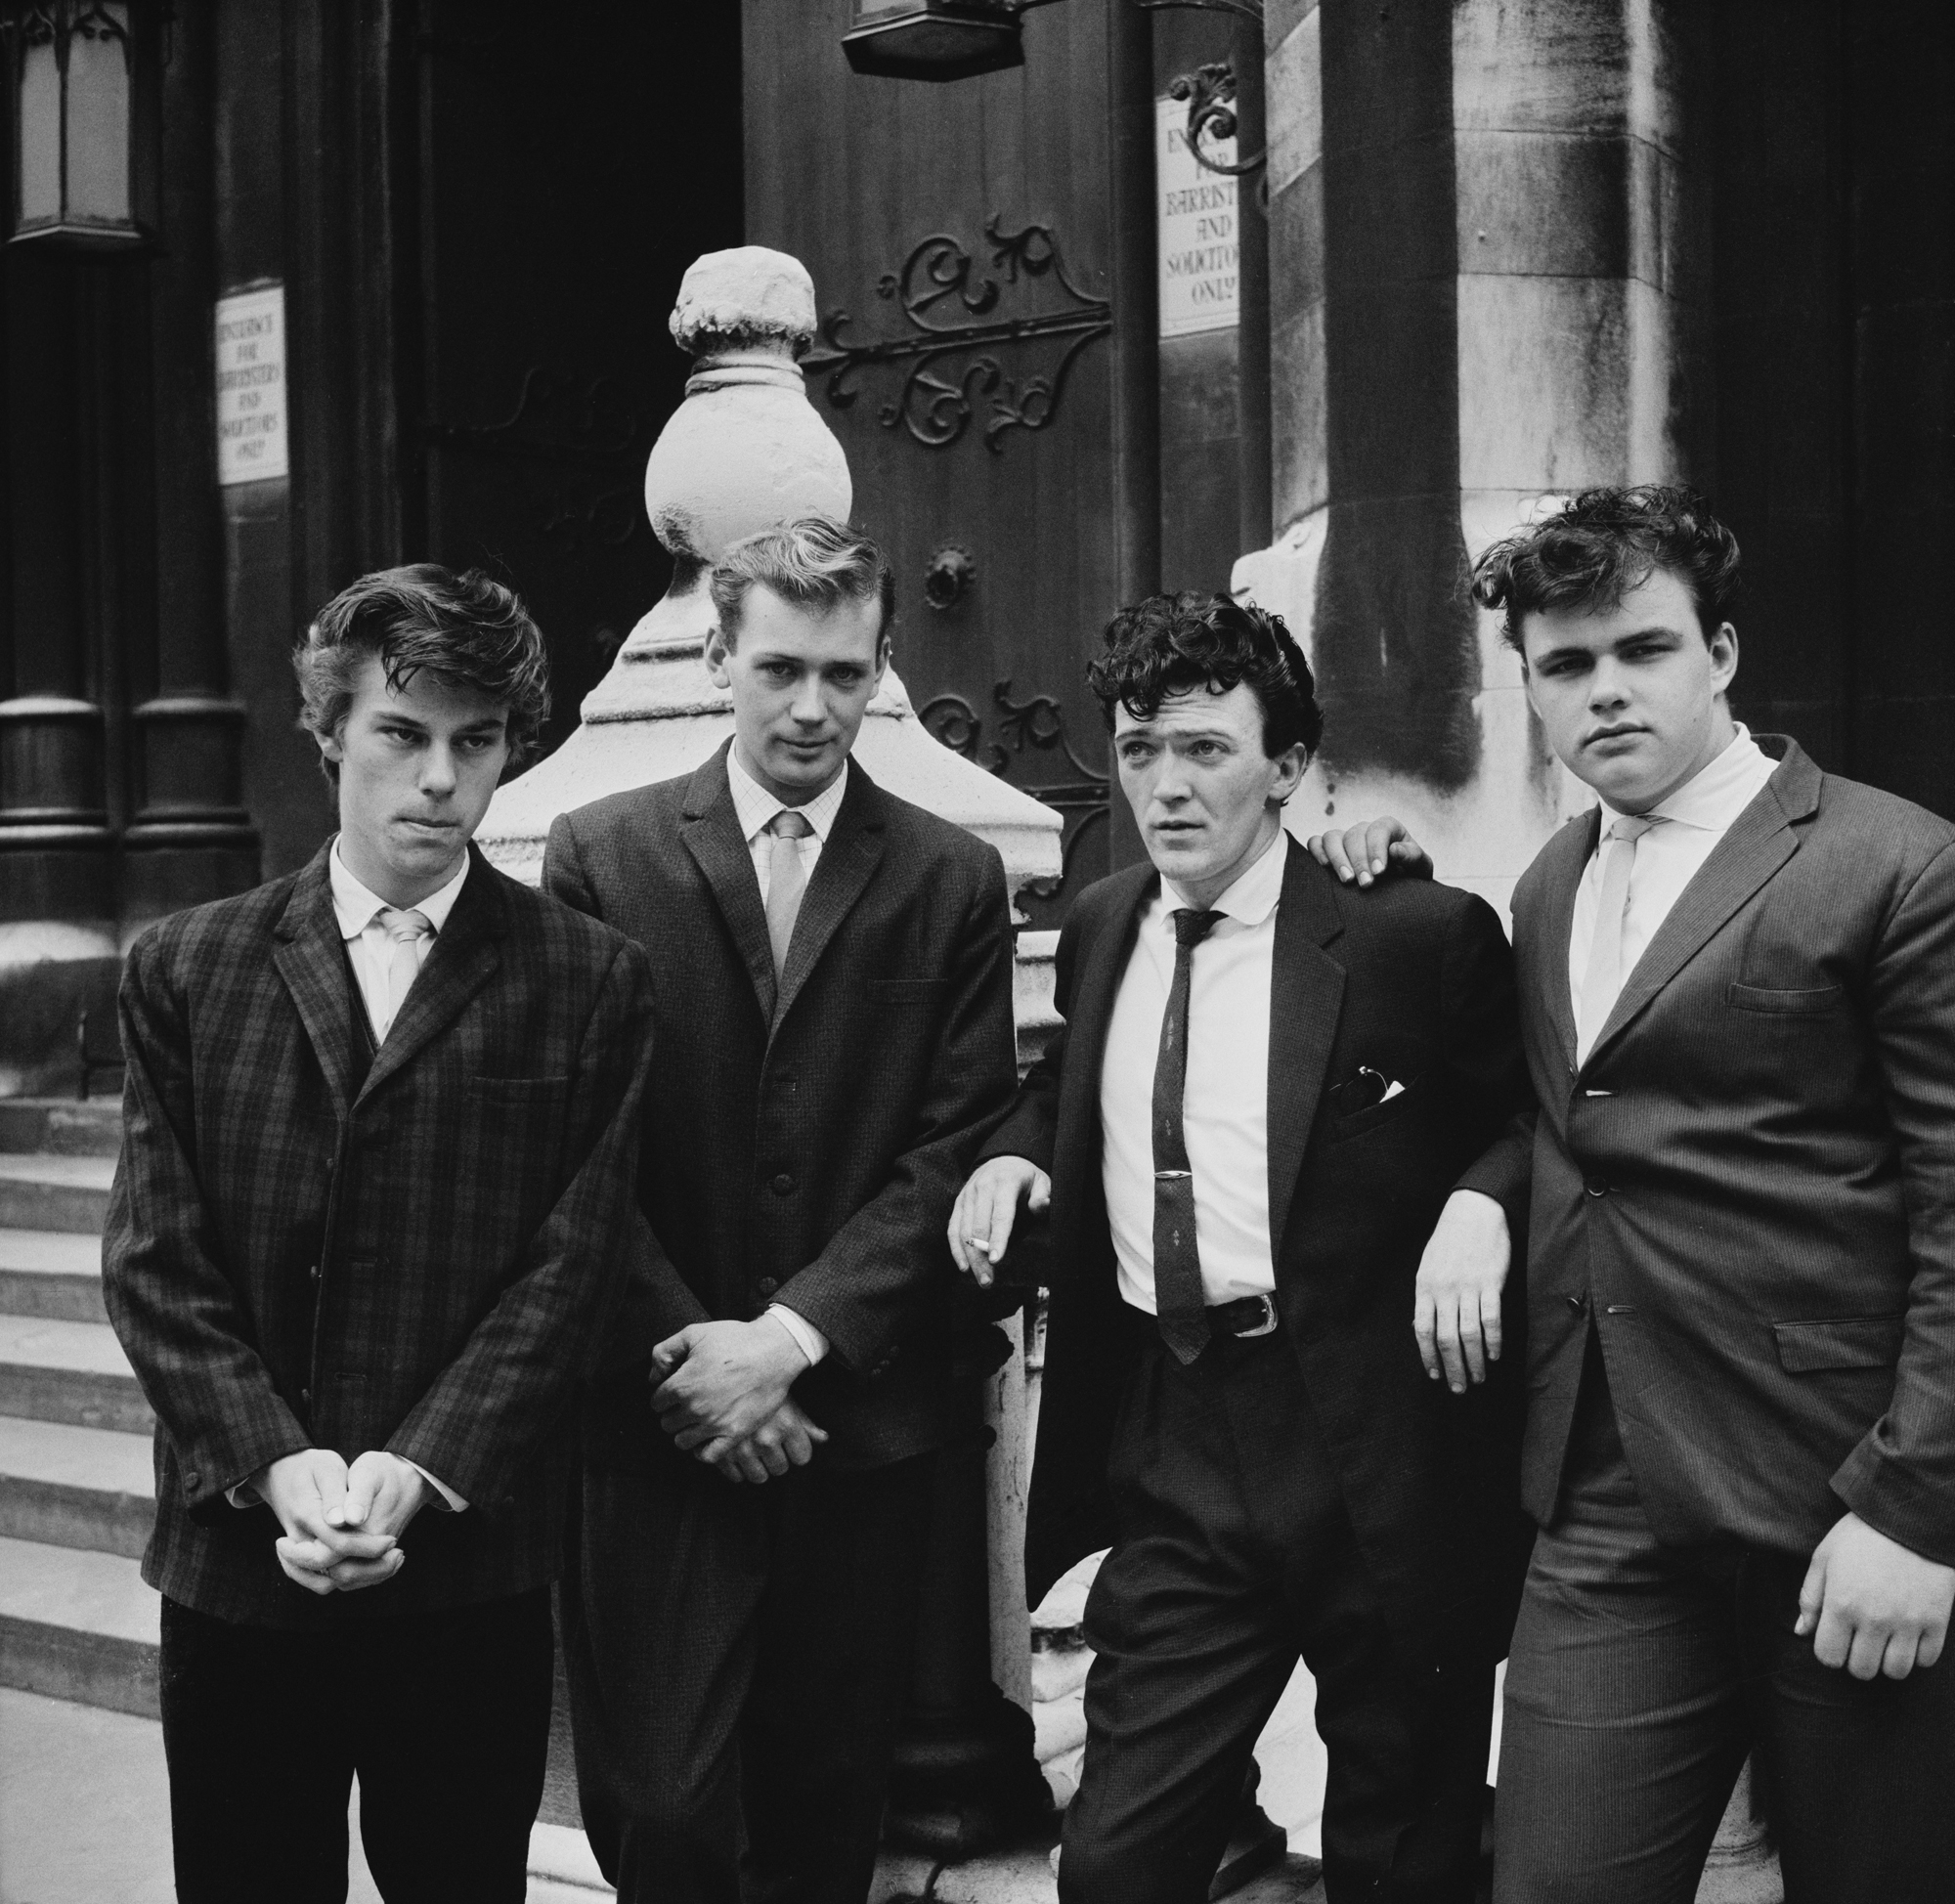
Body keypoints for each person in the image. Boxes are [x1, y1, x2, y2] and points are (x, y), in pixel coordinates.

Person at [1310, 485, 1955, 1904]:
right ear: (1530, 691)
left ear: (1720, 654)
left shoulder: (1892, 863)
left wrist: (1918, 1511)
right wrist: (1484, 1192)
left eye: (1641, 651)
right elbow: (1555, 1115)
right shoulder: (1544, 885)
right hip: (1599, 1496)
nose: (1605, 692)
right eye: (1566, 665)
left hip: (1834, 1496)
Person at [946, 592, 1534, 1904]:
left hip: (1380, 1442)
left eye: (1205, 749)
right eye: (1139, 747)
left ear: (1288, 765)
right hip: (1181, 1432)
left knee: (1406, 1842)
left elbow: (1525, 1119)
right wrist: (1015, 1148)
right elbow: (1074, 1089)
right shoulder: (1101, 927)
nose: (1165, 784)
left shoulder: (1409, 936)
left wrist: (1482, 1200)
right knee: (1117, 1858)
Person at [103, 566, 655, 1902]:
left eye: (477, 743)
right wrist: (278, 1468)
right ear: (332, 732)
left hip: (461, 1567)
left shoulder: (587, 980)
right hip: (241, 1559)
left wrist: (421, 1467)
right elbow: (156, 1262)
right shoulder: (187, 966)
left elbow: (566, 1270)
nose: (440, 781)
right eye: (403, 735)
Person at [543, 516, 1020, 1904]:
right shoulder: (600, 853)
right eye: (780, 670)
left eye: (844, 671)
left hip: (851, 1429)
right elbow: (580, 1153)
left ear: (883, 665)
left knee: (824, 1813)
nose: (813, 706)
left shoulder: (948, 876)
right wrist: (707, 1358)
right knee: (663, 1811)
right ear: (719, 661)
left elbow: (955, 1141)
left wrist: (792, 1342)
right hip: (658, 1413)